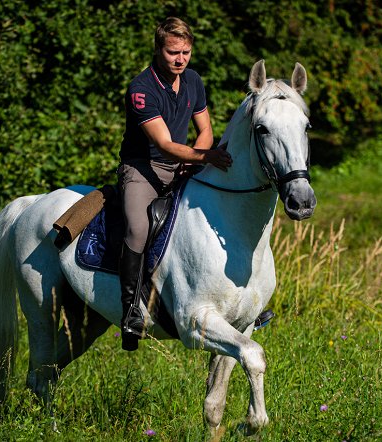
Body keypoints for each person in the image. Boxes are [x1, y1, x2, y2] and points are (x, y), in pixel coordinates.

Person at [117, 17, 232, 351]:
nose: (180, 59)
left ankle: (238, 304)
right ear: (158, 49)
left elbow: (205, 129)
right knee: (138, 227)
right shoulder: (141, 89)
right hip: (143, 168)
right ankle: (130, 314)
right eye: (172, 53)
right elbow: (165, 144)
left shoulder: (193, 80)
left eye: (186, 52)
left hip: (186, 162)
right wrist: (204, 158)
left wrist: (199, 155)